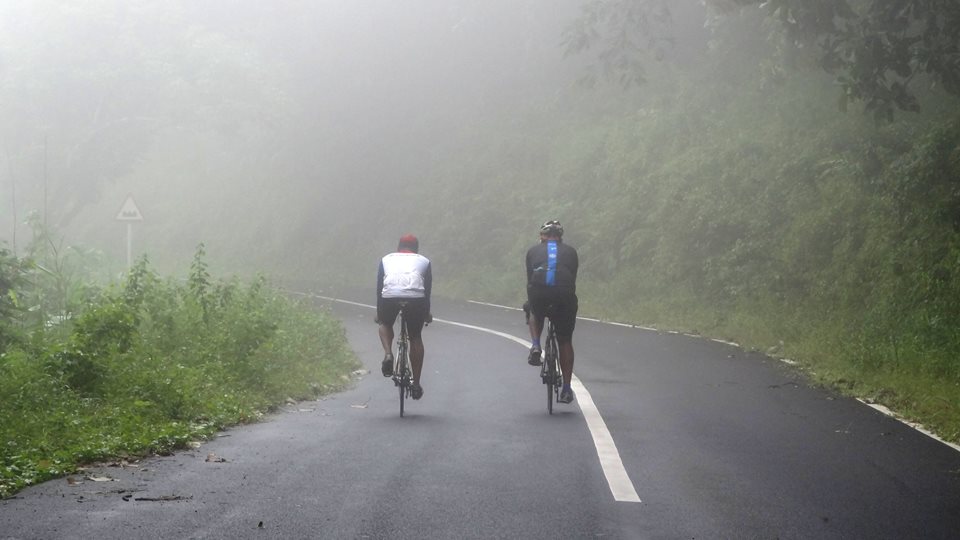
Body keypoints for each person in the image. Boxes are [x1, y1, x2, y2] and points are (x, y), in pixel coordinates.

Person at [525, 220, 579, 404]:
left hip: (539, 292)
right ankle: (566, 389)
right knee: (565, 340)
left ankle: (535, 345)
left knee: (534, 309)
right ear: (560, 237)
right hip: (564, 295)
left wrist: (531, 301)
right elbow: (572, 280)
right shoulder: (571, 252)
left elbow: (530, 280)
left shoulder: (533, 251)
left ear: (542, 236)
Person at [377, 234, 432, 400]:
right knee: (415, 336)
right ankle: (416, 385)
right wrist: (426, 313)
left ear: (398, 247)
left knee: (385, 323)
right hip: (416, 298)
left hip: (390, 296)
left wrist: (380, 312)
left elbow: (380, 287)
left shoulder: (386, 259)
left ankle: (388, 353)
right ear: (416, 248)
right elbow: (427, 290)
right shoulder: (424, 261)